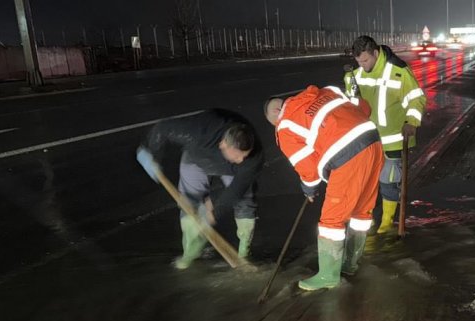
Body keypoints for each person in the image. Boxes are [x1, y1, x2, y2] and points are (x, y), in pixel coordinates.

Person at [265, 85, 383, 291]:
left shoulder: (285, 126)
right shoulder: (323, 92)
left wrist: (309, 189)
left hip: (347, 156)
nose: (276, 125)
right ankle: (350, 263)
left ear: (276, 114)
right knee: (361, 210)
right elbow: (363, 107)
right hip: (373, 143)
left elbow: (307, 167)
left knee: (331, 220)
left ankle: (328, 275)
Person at [135, 109, 263, 269]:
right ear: (223, 144)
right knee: (189, 202)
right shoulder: (198, 130)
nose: (241, 160)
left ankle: (244, 252)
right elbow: (162, 128)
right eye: (237, 155)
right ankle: (190, 253)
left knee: (245, 200)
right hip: (197, 158)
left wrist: (212, 214)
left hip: (230, 171)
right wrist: (152, 154)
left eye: (244, 156)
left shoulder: (253, 157)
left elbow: (236, 190)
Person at [346, 35, 427, 234]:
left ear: (375, 53)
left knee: (388, 179)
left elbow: (416, 99)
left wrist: (411, 122)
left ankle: (386, 222)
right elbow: (352, 105)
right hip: (368, 140)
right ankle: (368, 217)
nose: (362, 65)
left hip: (394, 138)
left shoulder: (398, 71)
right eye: (358, 61)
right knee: (367, 180)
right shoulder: (355, 75)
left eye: (365, 60)